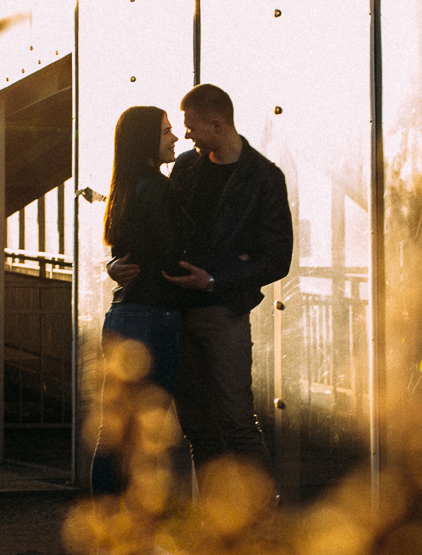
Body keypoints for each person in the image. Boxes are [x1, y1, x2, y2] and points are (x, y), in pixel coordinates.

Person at [110, 83, 291, 472]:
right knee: (198, 429)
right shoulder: (186, 167)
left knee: (237, 423)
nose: (184, 135)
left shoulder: (264, 177)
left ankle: (260, 523)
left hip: (221, 312)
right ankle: (213, 526)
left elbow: (277, 259)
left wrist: (215, 279)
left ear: (218, 122)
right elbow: (149, 228)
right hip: (174, 313)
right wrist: (113, 263)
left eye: (190, 127)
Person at [93, 105, 191, 494]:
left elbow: (132, 249)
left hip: (126, 317)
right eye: (167, 131)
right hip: (153, 319)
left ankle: (108, 530)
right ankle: (127, 530)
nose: (176, 137)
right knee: (142, 433)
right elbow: (171, 254)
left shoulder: (127, 188)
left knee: (115, 430)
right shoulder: (153, 188)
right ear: (146, 140)